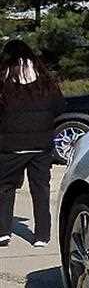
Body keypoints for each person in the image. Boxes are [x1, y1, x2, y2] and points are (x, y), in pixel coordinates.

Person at [0, 40, 65, 248]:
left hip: (10, 145)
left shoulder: (3, 80)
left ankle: (3, 232)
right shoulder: (45, 81)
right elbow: (59, 107)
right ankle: (42, 236)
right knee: (40, 190)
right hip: (40, 145)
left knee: (5, 188)